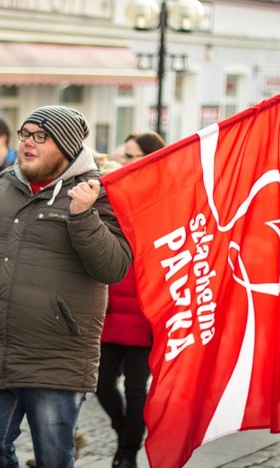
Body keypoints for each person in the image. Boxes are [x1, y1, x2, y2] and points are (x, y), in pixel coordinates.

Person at [0, 105, 132, 467]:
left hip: (56, 357)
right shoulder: (4, 184)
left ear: (67, 147)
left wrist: (83, 215)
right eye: (26, 134)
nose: (29, 143)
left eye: (42, 137)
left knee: (54, 458)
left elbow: (113, 267)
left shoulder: (97, 192)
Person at [96, 131, 164, 468]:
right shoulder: (111, 193)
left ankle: (127, 454)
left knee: (137, 390)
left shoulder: (162, 201)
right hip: (108, 312)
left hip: (142, 313)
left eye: (131, 155)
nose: (122, 160)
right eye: (124, 154)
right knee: (101, 383)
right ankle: (126, 435)